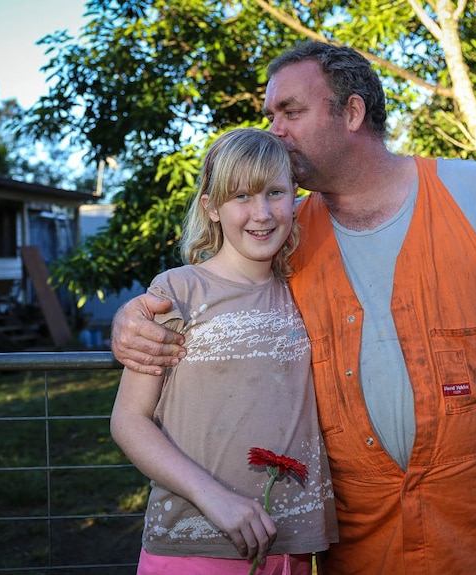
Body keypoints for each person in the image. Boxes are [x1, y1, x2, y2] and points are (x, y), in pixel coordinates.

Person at [110, 42, 476, 574]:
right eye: (270, 115)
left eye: (290, 112)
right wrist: (130, 319)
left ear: (353, 112)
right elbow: (215, 293)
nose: (274, 129)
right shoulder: (285, 233)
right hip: (361, 541)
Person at [110, 127, 338, 575]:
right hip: (196, 548)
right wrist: (213, 497)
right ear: (211, 208)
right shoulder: (178, 291)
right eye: (240, 197)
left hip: (291, 549)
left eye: (275, 192)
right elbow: (128, 420)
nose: (262, 213)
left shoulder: (305, 290)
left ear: (296, 196)